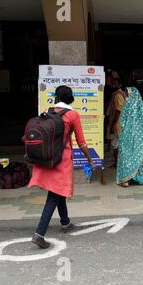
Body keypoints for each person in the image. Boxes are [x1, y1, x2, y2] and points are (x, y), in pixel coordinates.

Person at [29, 86, 96, 249]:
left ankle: (65, 223)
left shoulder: (47, 111)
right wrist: (90, 159)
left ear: (56, 97)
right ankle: (39, 234)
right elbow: (81, 142)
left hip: (47, 158)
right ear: (71, 98)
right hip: (62, 160)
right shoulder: (72, 115)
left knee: (58, 191)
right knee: (53, 196)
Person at [116, 86, 143, 188]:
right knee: (138, 156)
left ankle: (126, 180)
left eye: (126, 93)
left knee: (126, 156)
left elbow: (122, 121)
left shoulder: (128, 105)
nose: (125, 95)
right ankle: (139, 179)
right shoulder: (142, 105)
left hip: (127, 137)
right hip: (140, 137)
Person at [106, 78, 127, 167]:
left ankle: (118, 163)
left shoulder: (118, 94)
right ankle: (118, 163)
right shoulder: (120, 94)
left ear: (120, 85)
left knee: (116, 144)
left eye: (115, 83)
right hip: (120, 122)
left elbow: (118, 110)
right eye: (112, 83)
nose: (113, 85)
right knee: (117, 143)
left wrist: (112, 125)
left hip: (118, 123)